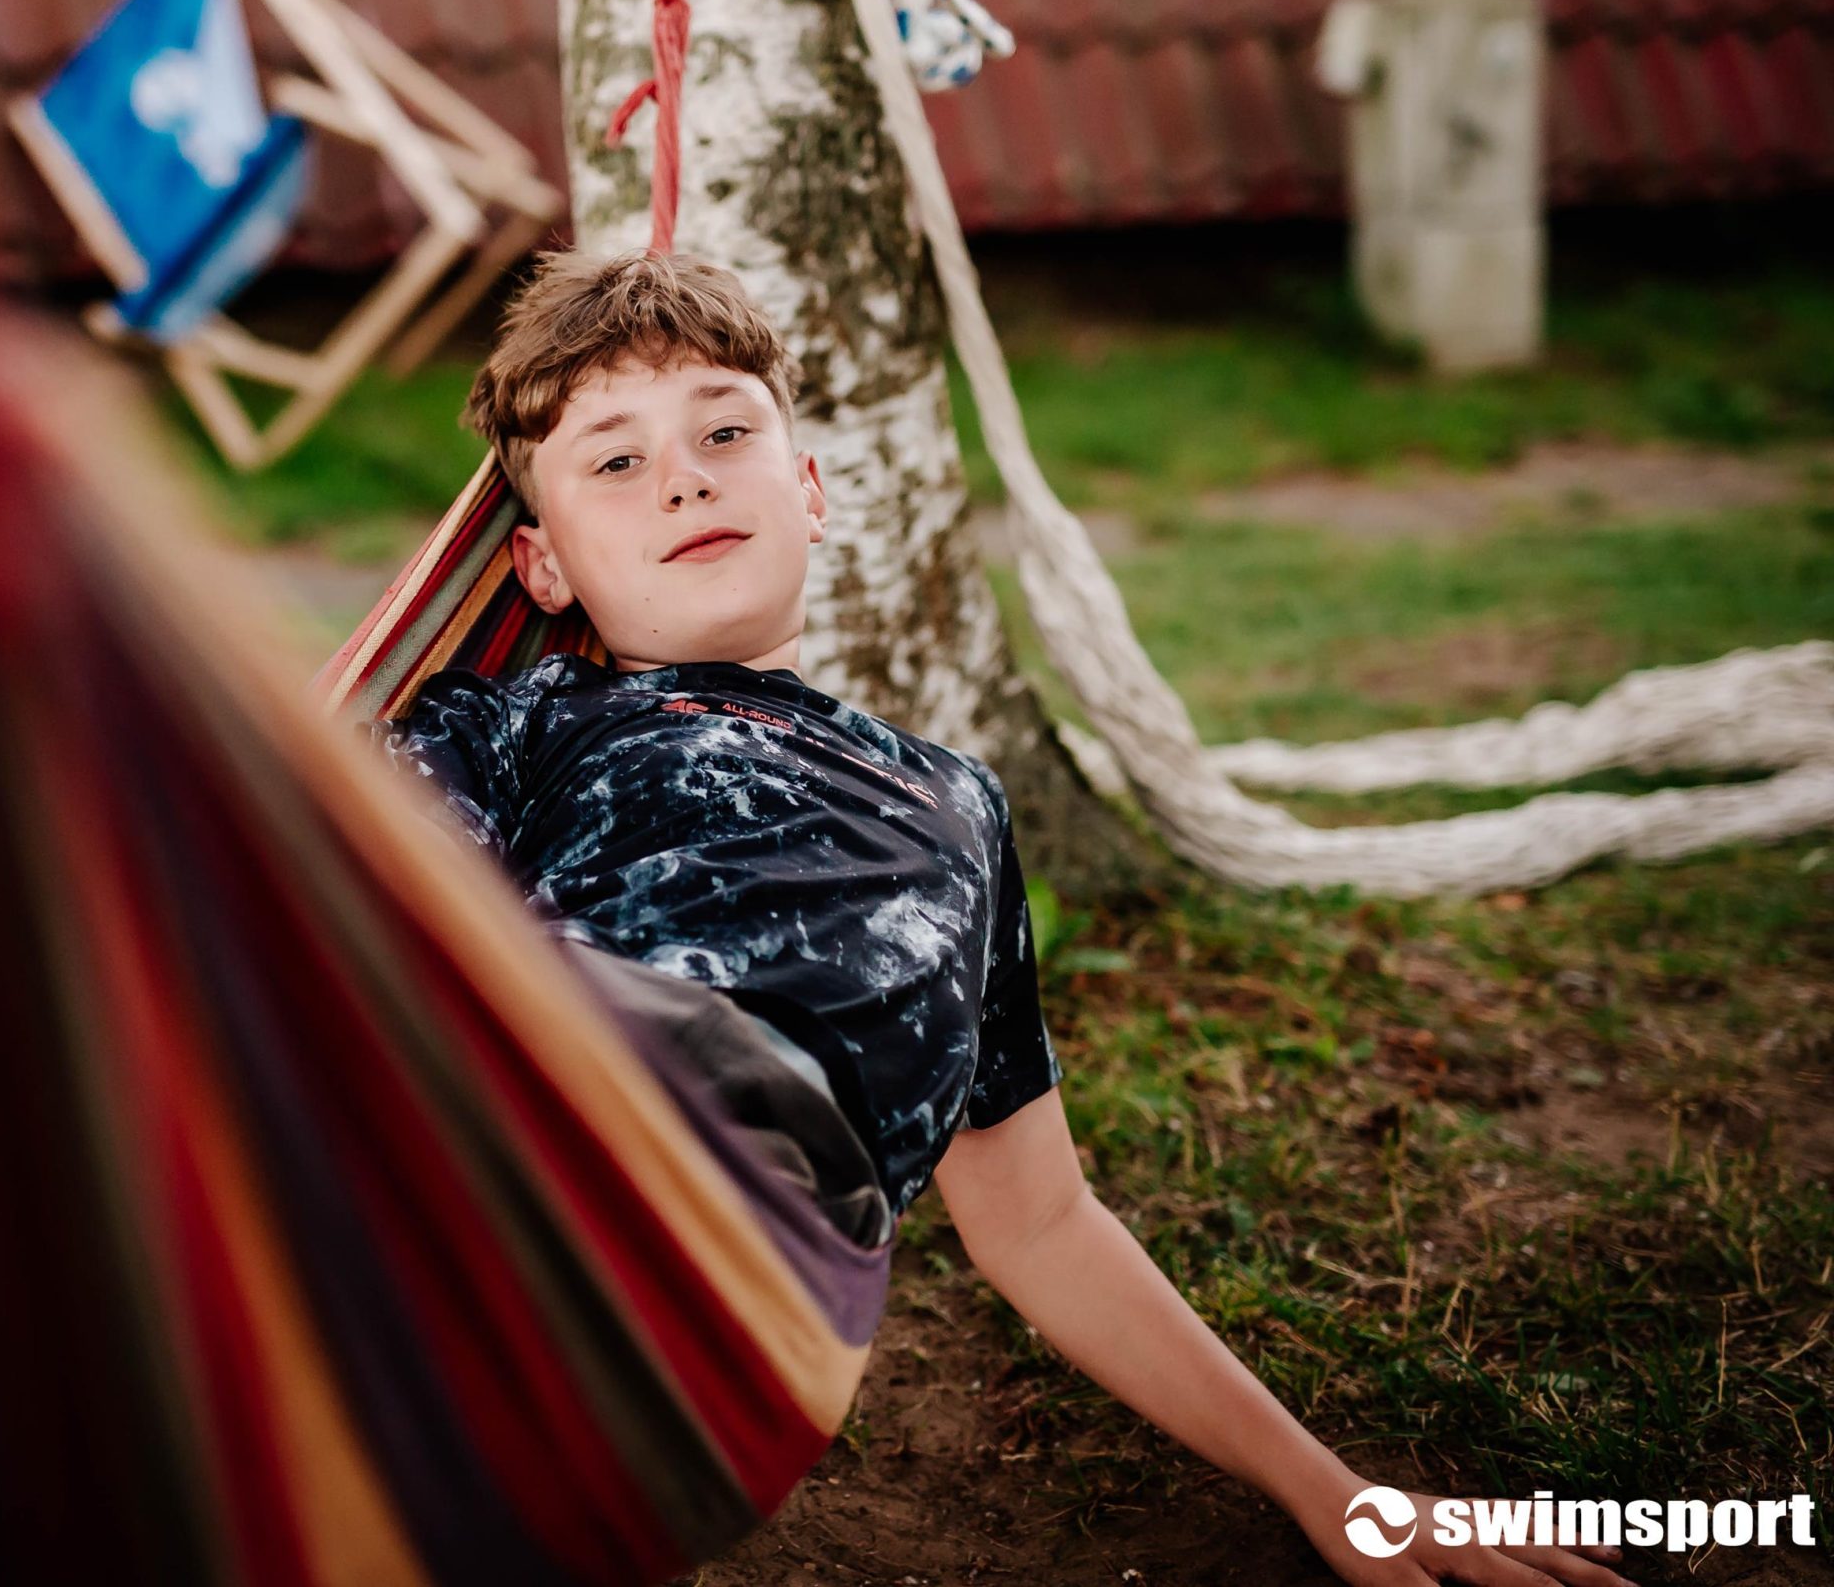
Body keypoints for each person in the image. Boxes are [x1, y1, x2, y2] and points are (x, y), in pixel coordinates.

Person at [381, 249, 1637, 1587]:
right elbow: (364, 959)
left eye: (725, 433)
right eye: (616, 463)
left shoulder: (950, 804)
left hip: (742, 1294)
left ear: (812, 492)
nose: (683, 478)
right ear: (543, 567)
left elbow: (1040, 1223)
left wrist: (1339, 1496)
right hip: (533, 1175)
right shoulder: (510, 724)